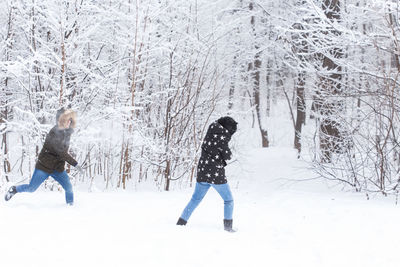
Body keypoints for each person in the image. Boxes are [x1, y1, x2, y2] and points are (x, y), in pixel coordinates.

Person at [4, 108, 83, 205]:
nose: (68, 122)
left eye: (70, 120)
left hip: (58, 168)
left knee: (69, 188)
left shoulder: (67, 133)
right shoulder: (54, 133)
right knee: (31, 188)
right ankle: (14, 189)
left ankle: (70, 207)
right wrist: (75, 164)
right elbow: (61, 153)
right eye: (66, 120)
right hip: (44, 166)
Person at [177, 116, 238, 232]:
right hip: (215, 174)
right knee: (228, 200)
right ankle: (228, 228)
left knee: (195, 199)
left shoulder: (211, 132)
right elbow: (228, 155)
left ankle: (181, 222)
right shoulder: (222, 136)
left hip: (202, 171)